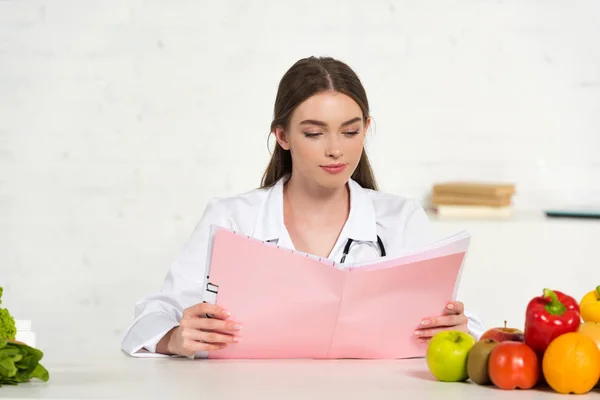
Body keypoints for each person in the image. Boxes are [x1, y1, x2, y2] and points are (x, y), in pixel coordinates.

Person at [121, 56, 485, 358]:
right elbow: (155, 314)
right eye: (314, 133)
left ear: (366, 129)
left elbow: (463, 323)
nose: (335, 149)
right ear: (282, 136)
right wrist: (175, 338)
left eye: (350, 131)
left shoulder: (400, 219)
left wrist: (458, 328)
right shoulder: (231, 218)